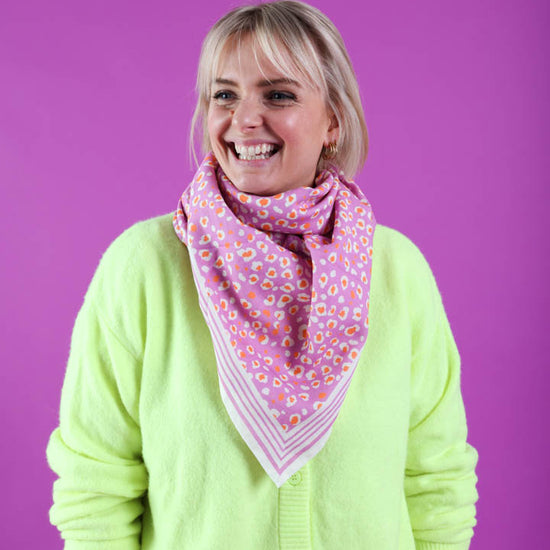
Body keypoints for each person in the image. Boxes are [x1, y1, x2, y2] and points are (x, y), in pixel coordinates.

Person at [47, 2, 478, 549]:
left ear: (333, 121)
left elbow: (437, 479)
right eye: (224, 95)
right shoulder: (145, 266)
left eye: (278, 95)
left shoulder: (396, 270)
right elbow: (95, 484)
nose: (244, 118)